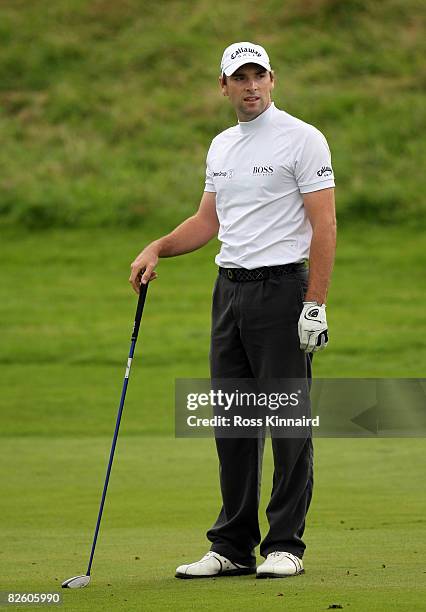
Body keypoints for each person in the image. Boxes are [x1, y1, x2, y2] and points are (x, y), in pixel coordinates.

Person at [129, 42, 336, 579]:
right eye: (239, 78)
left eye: (258, 76)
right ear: (223, 86)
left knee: (287, 421)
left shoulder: (302, 138)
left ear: (272, 79)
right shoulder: (222, 146)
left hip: (282, 290)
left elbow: (325, 225)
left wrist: (315, 303)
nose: (250, 86)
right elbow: (207, 222)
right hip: (230, 292)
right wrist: (157, 247)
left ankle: (285, 544)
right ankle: (233, 546)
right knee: (234, 422)